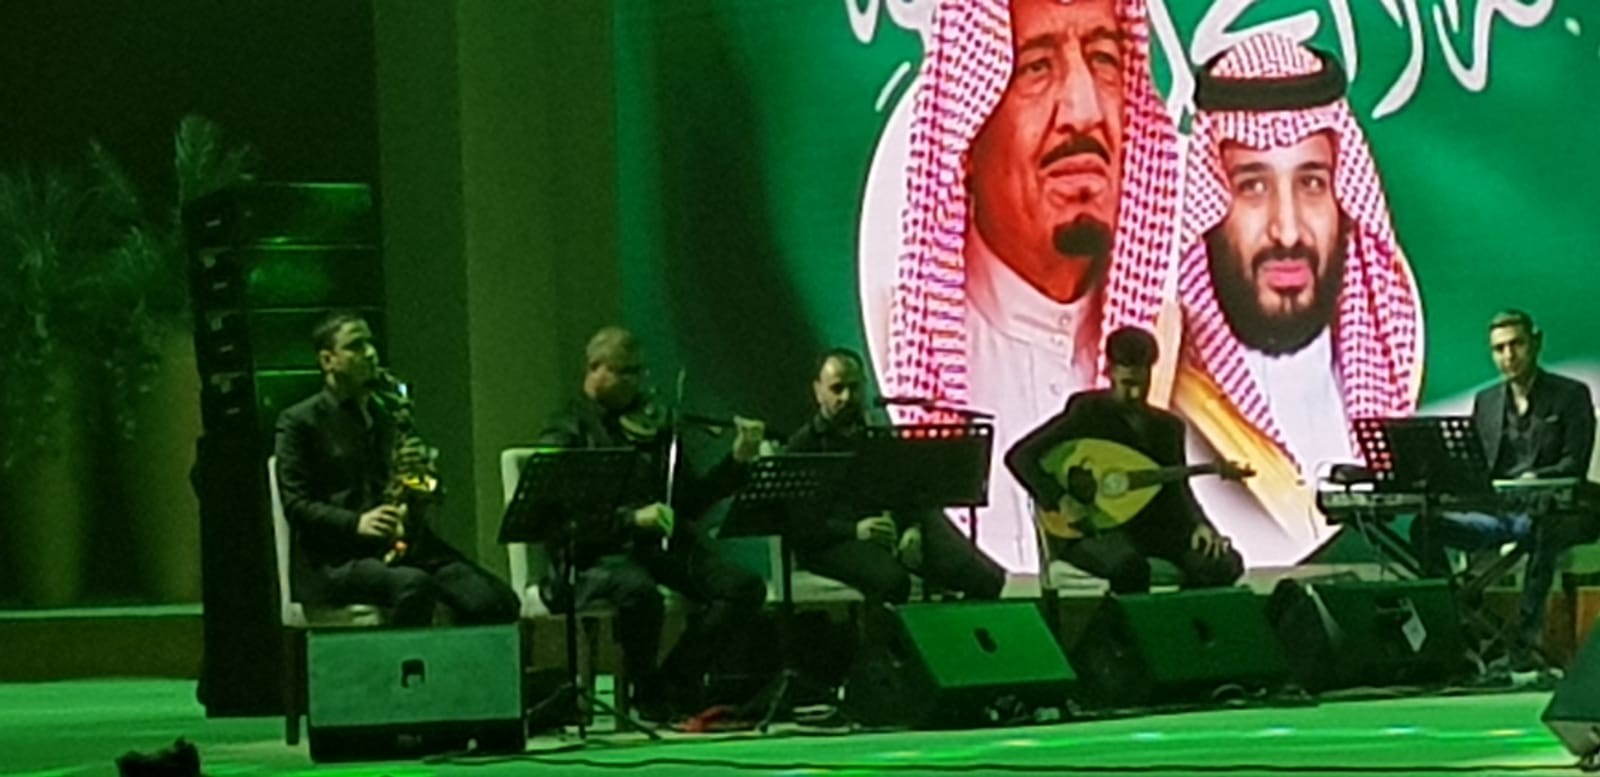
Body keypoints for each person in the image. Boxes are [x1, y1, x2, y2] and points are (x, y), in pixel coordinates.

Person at [870, 0, 1184, 574]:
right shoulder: (906, 332)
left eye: (1104, 60)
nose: (1084, 111)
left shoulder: (1159, 330)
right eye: (1035, 67)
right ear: (967, 127)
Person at [1168, 34, 1423, 566]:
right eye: (1252, 187)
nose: (1287, 230)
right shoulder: (1171, 396)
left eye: (1312, 183)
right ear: (1210, 203)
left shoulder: (1386, 368)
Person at [534, 326, 768, 718]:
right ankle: (646, 693)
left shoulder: (652, 429)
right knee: (639, 593)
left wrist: (737, 461)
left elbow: (690, 501)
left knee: (742, 587)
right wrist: (630, 518)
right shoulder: (568, 427)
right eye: (625, 372)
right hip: (595, 554)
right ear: (595, 369)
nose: (637, 383)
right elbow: (559, 512)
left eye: (639, 372)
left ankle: (675, 680)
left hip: (655, 548)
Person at [274, 311, 519, 627]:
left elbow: (424, 490)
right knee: (414, 586)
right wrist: (357, 523)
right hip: (336, 560)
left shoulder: (388, 416)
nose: (371, 354)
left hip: (400, 549)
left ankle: (458, 659)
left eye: (371, 344)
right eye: (356, 346)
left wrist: (424, 477)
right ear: (328, 360)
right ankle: (400, 660)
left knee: (497, 600)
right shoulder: (299, 422)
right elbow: (296, 505)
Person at [1410, 310, 1597, 667]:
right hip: (1500, 512)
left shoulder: (1571, 395)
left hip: (1561, 512)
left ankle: (1525, 642)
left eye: (1516, 345)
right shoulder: (1487, 401)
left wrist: (1535, 478)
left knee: (1544, 528)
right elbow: (1477, 466)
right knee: (1425, 527)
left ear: (1536, 343)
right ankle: (1457, 626)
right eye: (1499, 349)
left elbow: (1574, 464)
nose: (1509, 356)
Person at [1006, 327, 1246, 594]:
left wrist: (1200, 526)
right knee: (1130, 569)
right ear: (1110, 372)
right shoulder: (1086, 413)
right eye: (1127, 384)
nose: (1134, 394)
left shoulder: (1167, 427)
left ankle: (1182, 618)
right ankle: (1121, 622)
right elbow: (1021, 456)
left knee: (1224, 564)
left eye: (1141, 385)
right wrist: (1060, 499)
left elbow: (1178, 489)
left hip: (1154, 529)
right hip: (1096, 530)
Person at [783, 348, 1006, 603]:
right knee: (893, 583)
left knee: (987, 579)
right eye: (837, 388)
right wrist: (854, 530)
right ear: (818, 391)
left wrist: (913, 527)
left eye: (854, 388)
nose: (847, 397)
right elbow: (800, 523)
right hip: (834, 543)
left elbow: (911, 487)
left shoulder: (881, 434)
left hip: (896, 528)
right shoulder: (804, 446)